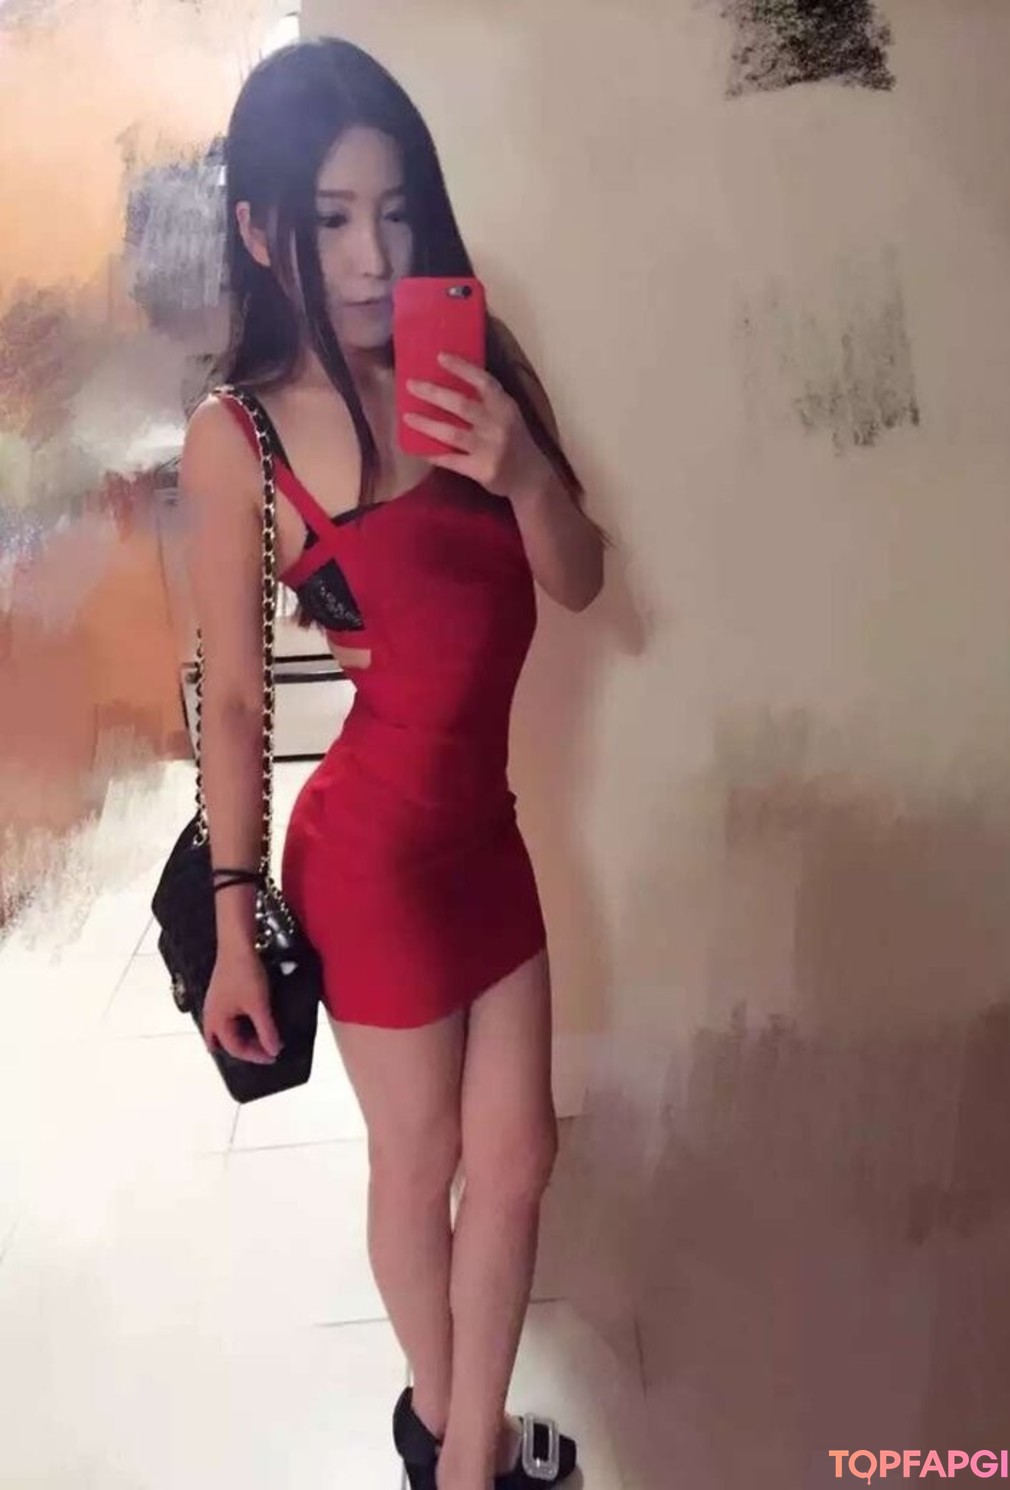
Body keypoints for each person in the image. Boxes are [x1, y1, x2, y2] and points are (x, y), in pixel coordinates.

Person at [179, 35, 605, 1490]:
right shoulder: (239, 437)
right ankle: (465, 1453)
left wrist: (524, 470)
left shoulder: (472, 370)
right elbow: (237, 704)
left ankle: (457, 1444)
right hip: (368, 859)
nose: (374, 256)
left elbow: (582, 580)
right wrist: (234, 930)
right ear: (261, 231)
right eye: (333, 218)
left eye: (397, 211)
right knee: (418, 1173)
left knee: (521, 1161)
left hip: (485, 833)